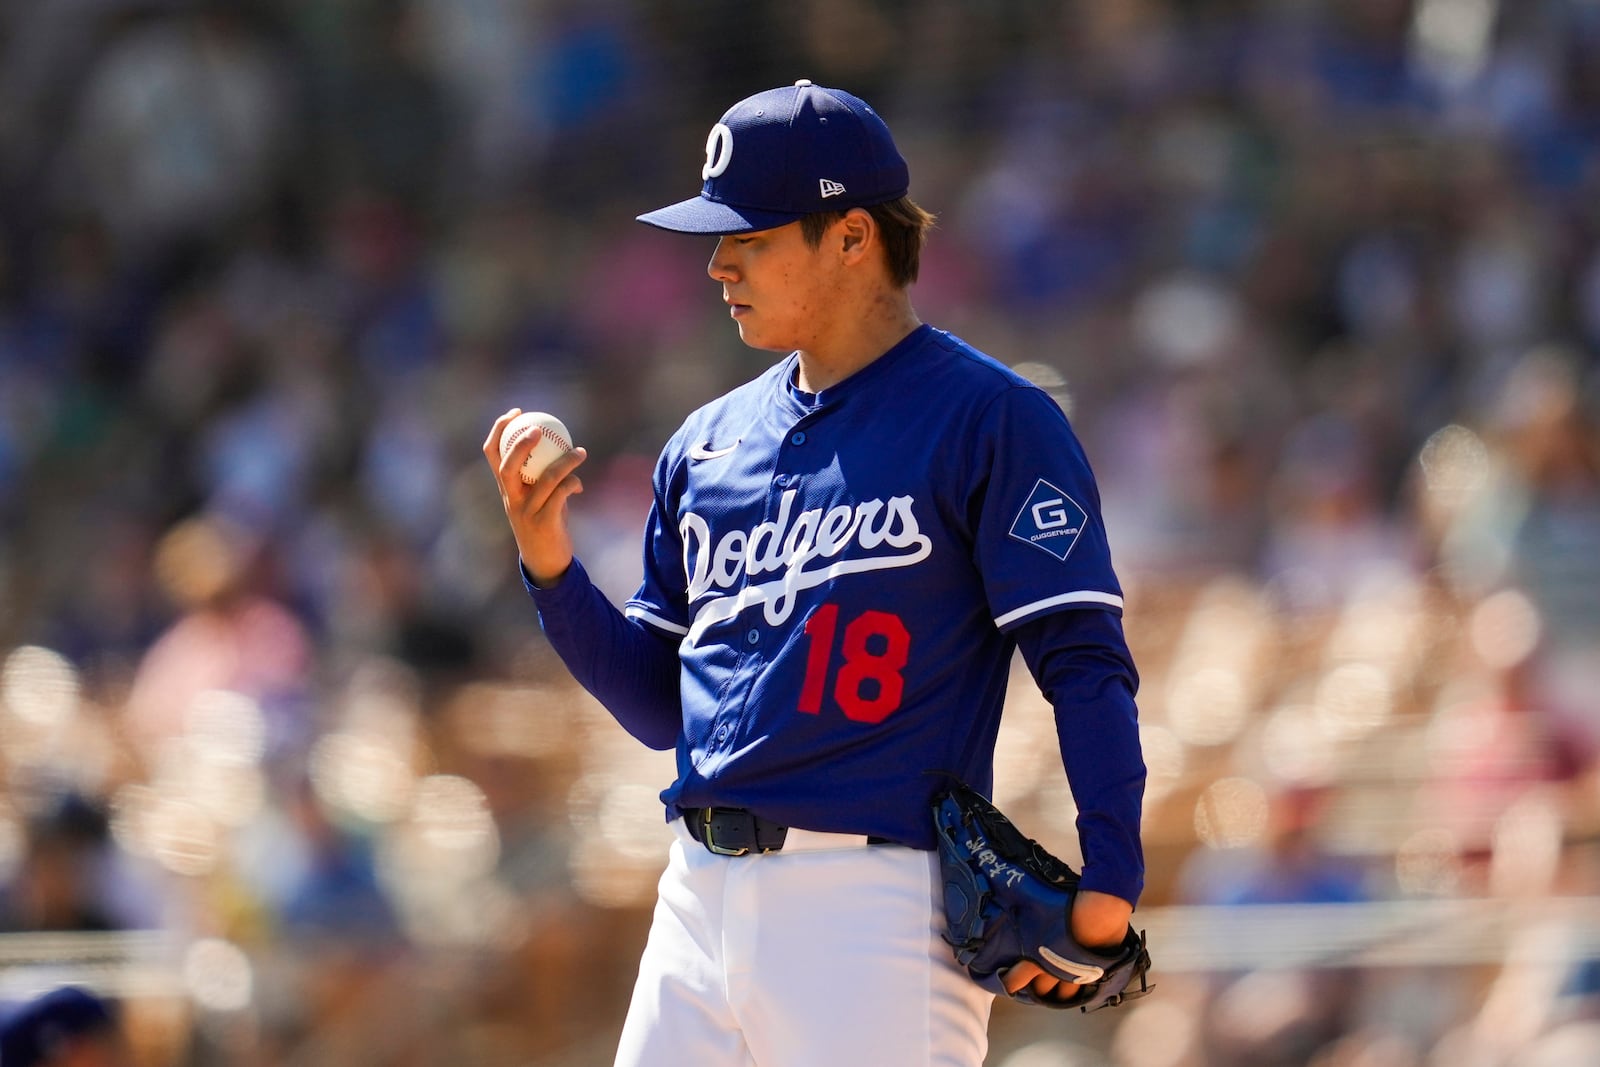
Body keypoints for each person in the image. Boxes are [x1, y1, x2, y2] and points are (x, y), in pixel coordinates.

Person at [484, 79, 1146, 1066]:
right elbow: (662, 708)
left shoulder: (989, 417)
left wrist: (1111, 878)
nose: (716, 264)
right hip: (695, 890)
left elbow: (1082, 660)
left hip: (873, 908)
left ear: (850, 236)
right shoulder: (705, 446)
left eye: (748, 236)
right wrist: (550, 566)